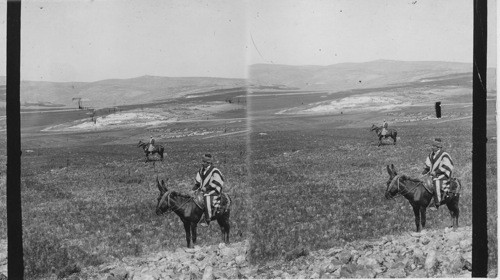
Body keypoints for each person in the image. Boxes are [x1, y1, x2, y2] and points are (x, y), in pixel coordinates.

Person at [421, 138, 454, 210]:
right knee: (423, 182)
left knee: (436, 182)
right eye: (432, 145)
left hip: (442, 174)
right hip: (433, 174)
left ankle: (437, 203)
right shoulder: (430, 155)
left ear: (438, 147)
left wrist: (436, 172)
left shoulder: (444, 155)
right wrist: (423, 173)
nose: (431, 147)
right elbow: (428, 165)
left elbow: (447, 166)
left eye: (433, 146)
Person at [192, 154, 224, 226]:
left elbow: (217, 182)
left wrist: (207, 188)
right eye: (202, 161)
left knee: (206, 197)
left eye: (204, 161)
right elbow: (198, 181)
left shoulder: (215, 171)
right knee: (194, 198)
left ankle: (207, 219)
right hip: (203, 189)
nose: (202, 163)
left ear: (208, 163)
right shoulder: (201, 170)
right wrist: (193, 189)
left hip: (212, 190)